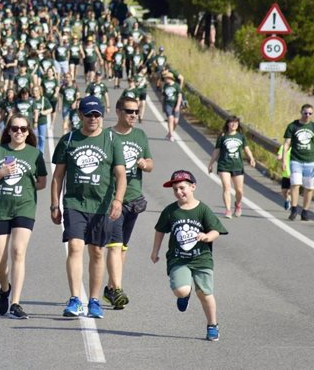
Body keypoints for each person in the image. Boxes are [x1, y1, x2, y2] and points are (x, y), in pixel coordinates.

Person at [51, 96, 127, 318]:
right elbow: (58, 176)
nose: (93, 118)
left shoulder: (112, 140)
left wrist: (118, 200)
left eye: (97, 114)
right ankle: (75, 299)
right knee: (75, 247)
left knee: (96, 251)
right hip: (75, 202)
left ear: (101, 116)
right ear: (80, 115)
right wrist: (54, 204)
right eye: (88, 114)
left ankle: (94, 300)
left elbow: (121, 175)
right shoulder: (69, 140)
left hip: (101, 205)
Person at [0, 115, 48, 319]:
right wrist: (1, 174)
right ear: (8, 131)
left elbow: (42, 182)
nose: (19, 132)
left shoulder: (34, 154)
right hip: (0, 209)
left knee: (18, 251)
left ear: (28, 132)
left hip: (24, 208)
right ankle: (4, 288)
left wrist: (25, 188)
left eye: (23, 129)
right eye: (15, 128)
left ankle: (16, 303)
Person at [151, 170, 228, 342]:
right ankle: (185, 295)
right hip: (178, 258)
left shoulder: (202, 209)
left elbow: (216, 230)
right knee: (181, 290)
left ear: (193, 187)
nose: (179, 192)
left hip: (201, 258)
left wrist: (207, 236)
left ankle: (212, 325)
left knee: (205, 294)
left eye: (182, 188)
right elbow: (160, 230)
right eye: (175, 189)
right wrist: (155, 251)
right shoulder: (171, 211)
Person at [106, 97, 153, 309]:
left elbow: (151, 163)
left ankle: (111, 287)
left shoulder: (140, 135)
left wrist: (145, 163)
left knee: (123, 247)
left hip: (134, 197)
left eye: (136, 111)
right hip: (113, 198)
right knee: (114, 245)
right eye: (129, 111)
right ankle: (117, 289)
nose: (134, 115)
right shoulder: (107, 135)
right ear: (118, 111)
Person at [207, 116, 256, 218]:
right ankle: (228, 210)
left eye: (236, 123)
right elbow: (217, 151)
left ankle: (238, 204)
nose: (234, 124)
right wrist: (211, 163)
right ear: (227, 124)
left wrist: (251, 158)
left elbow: (246, 148)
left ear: (238, 125)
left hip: (237, 166)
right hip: (224, 165)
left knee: (239, 190)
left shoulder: (240, 136)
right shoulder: (222, 136)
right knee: (227, 187)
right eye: (232, 122)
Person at [283, 104, 314, 221]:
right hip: (296, 161)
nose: (307, 115)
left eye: (310, 113)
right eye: (305, 113)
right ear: (301, 112)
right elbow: (286, 144)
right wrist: (284, 161)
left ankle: (305, 211)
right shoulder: (293, 126)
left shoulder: (313, 127)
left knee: (309, 187)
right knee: (295, 185)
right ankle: (294, 209)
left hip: (311, 162)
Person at [161, 72, 182, 141]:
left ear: (170, 78)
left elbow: (179, 96)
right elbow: (163, 96)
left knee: (175, 121)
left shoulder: (176, 86)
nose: (165, 80)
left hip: (175, 104)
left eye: (166, 78)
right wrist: (163, 106)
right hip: (168, 104)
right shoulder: (165, 86)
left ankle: (170, 133)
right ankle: (171, 135)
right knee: (170, 118)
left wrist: (178, 106)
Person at [31, 85, 52, 154]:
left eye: (36, 90)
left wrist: (44, 112)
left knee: (42, 138)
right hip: (32, 122)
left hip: (42, 121)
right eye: (34, 91)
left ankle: (40, 153)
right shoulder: (31, 100)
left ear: (40, 91)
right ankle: (34, 152)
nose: (35, 92)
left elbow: (50, 109)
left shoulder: (44, 100)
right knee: (33, 138)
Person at [277, 145, 291, 210]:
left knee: (292, 190)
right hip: (285, 173)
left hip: (293, 172)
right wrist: (283, 158)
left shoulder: (295, 148)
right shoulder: (283, 147)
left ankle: (292, 205)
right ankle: (287, 199)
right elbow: (278, 157)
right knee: (284, 191)